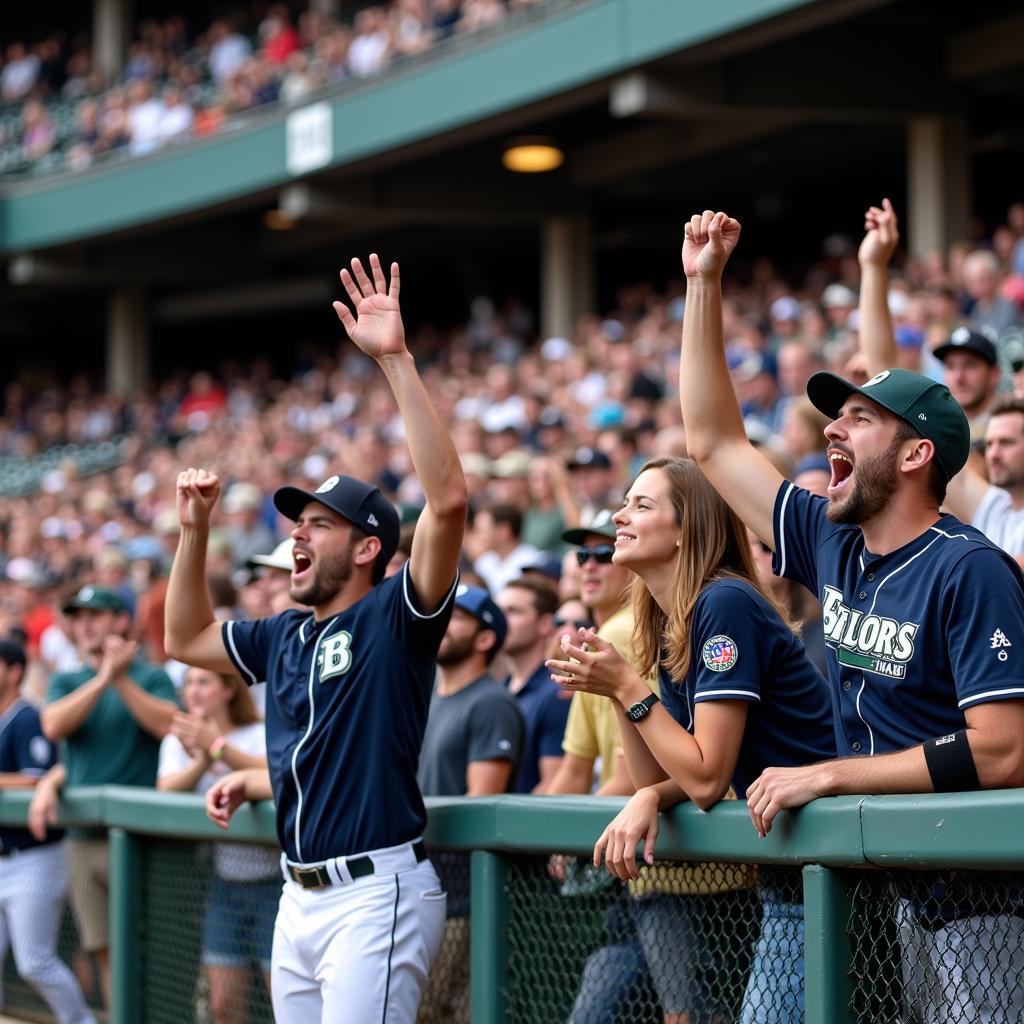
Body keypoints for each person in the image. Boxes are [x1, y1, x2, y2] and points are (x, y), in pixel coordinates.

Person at [677, 209, 1024, 1022]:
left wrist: (832, 776)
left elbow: (1004, 751)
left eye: (860, 418)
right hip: (894, 894)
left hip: (987, 898)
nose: (832, 427)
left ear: (915, 456)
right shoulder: (836, 543)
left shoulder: (970, 568)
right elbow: (714, 442)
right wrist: (703, 284)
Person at [163, 254, 467, 1024]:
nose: (298, 534)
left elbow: (451, 500)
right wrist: (193, 532)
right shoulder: (286, 633)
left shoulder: (395, 615)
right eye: (296, 523)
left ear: (368, 548)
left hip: (375, 892)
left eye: (319, 525)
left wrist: (395, 360)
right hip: (297, 895)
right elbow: (186, 637)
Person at [546, 457, 834, 1024]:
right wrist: (620, 705)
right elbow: (664, 775)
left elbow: (706, 779)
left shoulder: (722, 602)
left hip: (833, 874)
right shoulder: (668, 614)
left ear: (685, 530)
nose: (621, 518)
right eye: (625, 503)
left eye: (641, 505)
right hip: (790, 879)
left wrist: (628, 687)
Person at [30, 585, 179, 1010]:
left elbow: (167, 723)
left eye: (95, 615)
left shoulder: (150, 674)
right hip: (82, 839)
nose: (85, 624)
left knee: (154, 949)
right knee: (103, 949)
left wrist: (120, 679)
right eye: (78, 617)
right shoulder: (67, 678)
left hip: (140, 840)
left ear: (119, 621)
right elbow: (54, 725)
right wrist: (102, 679)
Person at [416, 585, 522, 1024]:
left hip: (462, 896)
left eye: (456, 616)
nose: (442, 622)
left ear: (484, 639)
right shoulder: (427, 697)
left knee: (439, 1013)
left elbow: (482, 802)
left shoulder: (492, 702)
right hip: (422, 884)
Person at [157, 666, 275, 1024]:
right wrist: (204, 760)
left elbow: (278, 770)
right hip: (223, 884)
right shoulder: (176, 739)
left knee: (284, 999)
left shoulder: (259, 732)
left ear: (228, 690)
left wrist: (218, 748)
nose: (193, 690)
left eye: (204, 681)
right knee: (223, 1004)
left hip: (275, 883)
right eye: (188, 683)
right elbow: (165, 790)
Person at [0, 640, 95, 1024]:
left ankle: (82, 1022)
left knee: (35, 962)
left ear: (14, 671)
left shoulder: (27, 717)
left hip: (35, 856)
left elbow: (35, 778)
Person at [496, 577, 569, 793]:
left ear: (545, 624)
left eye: (514, 611)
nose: (502, 620)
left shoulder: (557, 693)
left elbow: (553, 784)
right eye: (499, 611)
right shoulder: (500, 688)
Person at [932, 327, 1001, 444]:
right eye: (950, 366)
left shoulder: (1013, 422)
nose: (959, 377)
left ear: (994, 374)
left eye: (970, 365)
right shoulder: (936, 426)